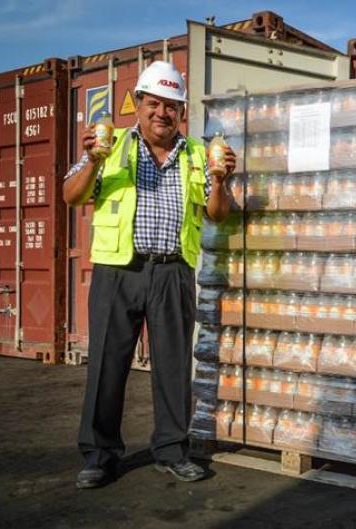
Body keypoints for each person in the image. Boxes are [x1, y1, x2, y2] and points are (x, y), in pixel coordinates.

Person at [63, 61, 236, 489]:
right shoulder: (111, 146)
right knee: (107, 364)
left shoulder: (197, 153)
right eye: (154, 103)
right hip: (119, 271)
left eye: (171, 106)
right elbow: (71, 195)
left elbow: (219, 215)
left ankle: (172, 450)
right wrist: (90, 160)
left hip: (173, 272)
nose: (162, 112)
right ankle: (99, 455)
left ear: (182, 113)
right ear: (137, 104)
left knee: (174, 367)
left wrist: (220, 182)